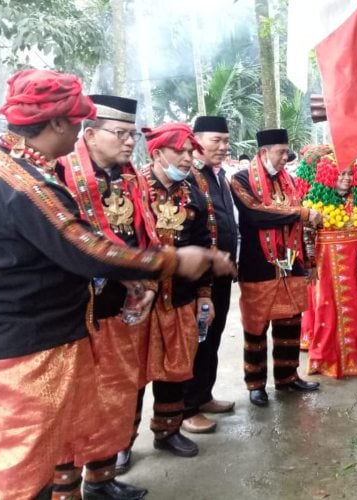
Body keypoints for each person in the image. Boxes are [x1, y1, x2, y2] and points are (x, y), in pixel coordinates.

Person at [0, 69, 224, 500]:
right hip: (30, 345)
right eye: (82, 124)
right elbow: (86, 249)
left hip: (72, 325)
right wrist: (172, 261)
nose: (80, 132)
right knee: (27, 469)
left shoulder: (13, 168)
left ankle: (96, 481)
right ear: (61, 123)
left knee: (98, 409)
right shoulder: (27, 183)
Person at [56, 94, 157, 499]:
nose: (129, 141)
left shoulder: (129, 176)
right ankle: (65, 487)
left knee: (117, 393)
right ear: (91, 134)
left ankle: (101, 478)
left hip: (121, 307)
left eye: (133, 134)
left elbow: (145, 234)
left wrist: (148, 281)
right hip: (78, 312)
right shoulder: (60, 175)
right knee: (75, 401)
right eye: (120, 133)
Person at [230, 128, 322, 407]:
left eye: (287, 151)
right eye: (281, 152)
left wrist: (309, 261)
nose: (286, 157)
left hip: (290, 263)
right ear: (262, 152)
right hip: (257, 264)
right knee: (256, 327)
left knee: (290, 323)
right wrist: (301, 213)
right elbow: (256, 214)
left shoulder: (290, 182)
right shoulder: (240, 180)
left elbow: (300, 224)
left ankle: (287, 377)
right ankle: (256, 384)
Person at [141, 123, 215, 458]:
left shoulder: (193, 194)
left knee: (176, 366)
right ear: (157, 153)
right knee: (132, 374)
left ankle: (167, 431)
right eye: (180, 152)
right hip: (138, 303)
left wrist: (204, 295)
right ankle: (118, 448)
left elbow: (203, 247)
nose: (188, 159)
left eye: (190, 152)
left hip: (181, 298)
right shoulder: (134, 190)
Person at [297, 146, 357, 377]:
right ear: (330, 176)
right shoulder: (315, 201)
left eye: (349, 175)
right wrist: (310, 264)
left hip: (355, 264)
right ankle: (326, 359)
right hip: (326, 265)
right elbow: (307, 234)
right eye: (340, 174)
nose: (345, 179)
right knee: (327, 310)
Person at [181, 116, 239, 434]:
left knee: (213, 337)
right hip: (197, 276)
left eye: (226, 141)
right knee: (197, 339)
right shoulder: (189, 176)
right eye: (216, 140)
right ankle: (186, 407)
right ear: (197, 139)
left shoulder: (219, 176)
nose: (222, 146)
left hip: (220, 275)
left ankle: (204, 395)